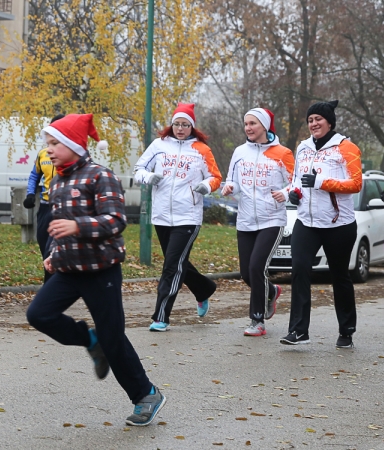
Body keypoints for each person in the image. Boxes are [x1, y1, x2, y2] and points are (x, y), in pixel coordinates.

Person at [26, 113, 166, 427]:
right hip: (67, 269)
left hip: (101, 270)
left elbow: (115, 221)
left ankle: (146, 394)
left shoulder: (100, 176)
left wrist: (78, 225)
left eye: (54, 143)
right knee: (39, 314)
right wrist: (52, 254)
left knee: (113, 336)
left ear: (74, 144)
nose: (48, 149)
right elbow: (57, 228)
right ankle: (91, 341)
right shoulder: (58, 179)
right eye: (47, 143)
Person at [279, 100, 363, 348]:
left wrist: (322, 182)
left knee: (339, 276)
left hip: (338, 224)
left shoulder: (346, 148)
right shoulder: (303, 148)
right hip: (307, 221)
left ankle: (346, 330)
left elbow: (355, 184)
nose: (313, 124)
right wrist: (293, 193)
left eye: (318, 119)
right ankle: (298, 331)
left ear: (329, 122)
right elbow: (298, 180)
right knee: (300, 270)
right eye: (310, 120)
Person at [134, 103, 222, 331]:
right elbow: (139, 169)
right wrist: (148, 177)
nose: (180, 128)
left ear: (192, 127)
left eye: (185, 125)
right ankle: (203, 289)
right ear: (171, 125)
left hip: (188, 216)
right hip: (162, 215)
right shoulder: (159, 145)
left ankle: (161, 317)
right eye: (176, 124)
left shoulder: (201, 149)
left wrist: (205, 185)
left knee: (172, 266)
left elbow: (215, 177)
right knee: (177, 262)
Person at [221, 108, 294, 336]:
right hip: (245, 220)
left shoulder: (282, 153)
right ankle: (271, 291)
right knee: (246, 273)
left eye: (253, 123)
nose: (248, 128)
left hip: (272, 219)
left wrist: (285, 192)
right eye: (246, 124)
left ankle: (257, 321)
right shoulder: (240, 152)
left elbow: (298, 182)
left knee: (256, 267)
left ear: (264, 126)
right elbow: (232, 179)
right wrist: (229, 187)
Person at [23, 114, 65, 283]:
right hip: (45, 207)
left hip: (62, 208)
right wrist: (30, 194)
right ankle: (52, 278)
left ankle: (50, 284)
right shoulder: (43, 154)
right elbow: (34, 175)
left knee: (51, 248)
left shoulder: (68, 154)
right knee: (43, 244)